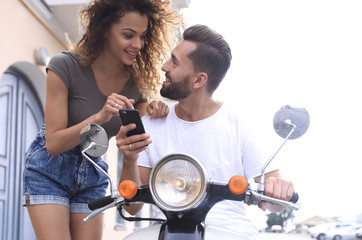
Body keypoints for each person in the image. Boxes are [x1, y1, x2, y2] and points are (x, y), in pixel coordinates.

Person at [115, 24, 295, 239]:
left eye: (175, 61)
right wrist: (129, 158)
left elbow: (275, 202)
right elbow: (132, 208)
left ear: (199, 80)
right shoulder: (152, 124)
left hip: (230, 232)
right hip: (166, 232)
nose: (164, 66)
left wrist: (279, 191)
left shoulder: (240, 124)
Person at [22, 0, 181, 239]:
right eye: (128, 35)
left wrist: (158, 107)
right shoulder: (64, 66)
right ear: (104, 30)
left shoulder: (136, 84)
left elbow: (141, 124)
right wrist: (99, 117)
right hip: (49, 170)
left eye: (143, 36)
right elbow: (53, 144)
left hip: (93, 172)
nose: (137, 44)